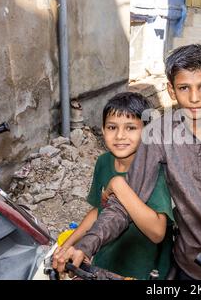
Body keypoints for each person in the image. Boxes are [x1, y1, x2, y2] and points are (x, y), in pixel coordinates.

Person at [54, 44, 201, 280]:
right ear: (171, 90)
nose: (194, 98)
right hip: (192, 263)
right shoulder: (157, 136)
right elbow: (125, 204)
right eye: (184, 88)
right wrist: (86, 246)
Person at [52, 92, 174, 280]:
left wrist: (119, 186)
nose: (120, 136)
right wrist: (68, 245)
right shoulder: (104, 162)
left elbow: (158, 232)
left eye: (131, 128)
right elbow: (98, 211)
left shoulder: (154, 171)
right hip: (105, 262)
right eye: (112, 127)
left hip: (142, 269)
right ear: (102, 129)